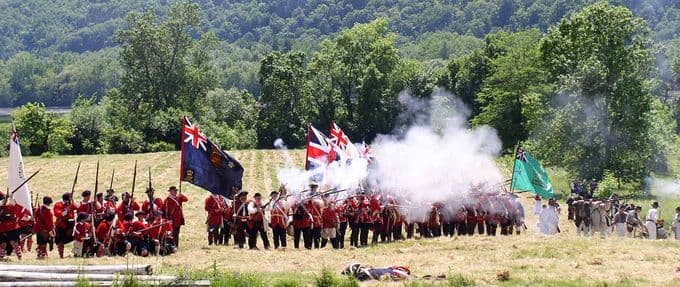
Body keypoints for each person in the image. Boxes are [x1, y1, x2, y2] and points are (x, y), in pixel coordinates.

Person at [0, 193, 23, 260]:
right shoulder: (1, 206)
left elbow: (18, 210)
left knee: (14, 242)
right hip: (2, 227)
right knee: (2, 243)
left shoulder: (12, 206)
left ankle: (19, 256)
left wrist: (11, 197)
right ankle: (1, 257)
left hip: (12, 226)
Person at [53, 193, 75, 258]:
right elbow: (58, 214)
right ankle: (61, 255)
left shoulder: (70, 204)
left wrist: (73, 202)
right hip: (61, 225)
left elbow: (78, 207)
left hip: (70, 224)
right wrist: (66, 211)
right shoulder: (58, 204)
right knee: (60, 241)